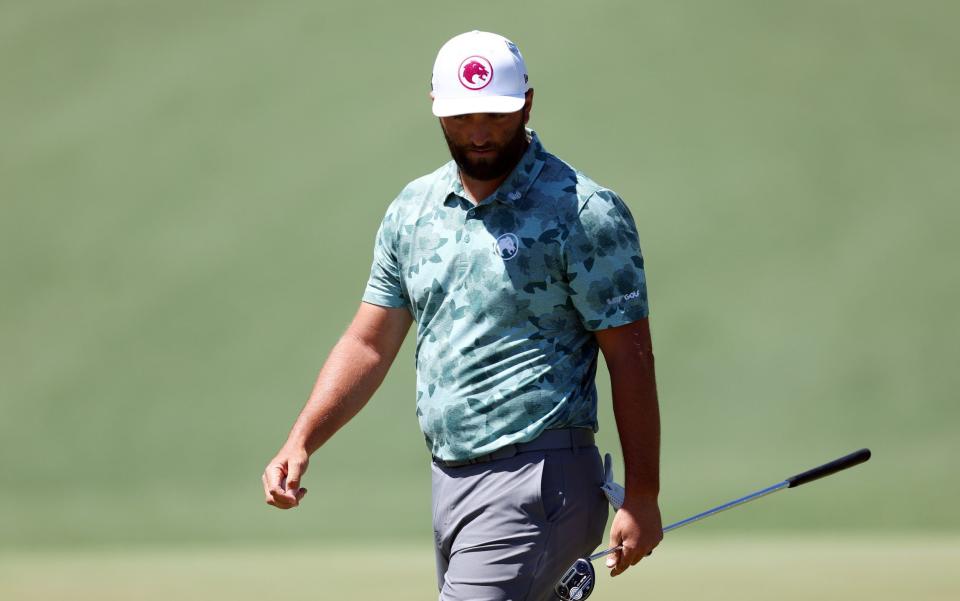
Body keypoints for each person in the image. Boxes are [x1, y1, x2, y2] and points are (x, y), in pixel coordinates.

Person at [262, 30, 663, 600]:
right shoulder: (414, 210)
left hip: (540, 481)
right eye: (461, 115)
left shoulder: (583, 211)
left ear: (526, 103)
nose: (478, 132)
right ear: (435, 107)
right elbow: (370, 342)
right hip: (450, 483)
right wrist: (301, 440)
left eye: (495, 115)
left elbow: (631, 357)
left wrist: (642, 495)